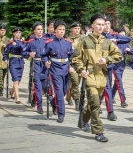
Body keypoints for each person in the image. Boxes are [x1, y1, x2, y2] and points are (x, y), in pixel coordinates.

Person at [76, 14, 122, 142]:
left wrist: (107, 59)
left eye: (103, 24)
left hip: (102, 76)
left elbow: (119, 55)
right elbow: (76, 59)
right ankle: (98, 132)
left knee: (93, 103)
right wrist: (81, 70)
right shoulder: (84, 41)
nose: (101, 27)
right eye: (98, 24)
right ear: (92, 25)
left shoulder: (107, 42)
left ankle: (84, 120)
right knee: (96, 104)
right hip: (89, 75)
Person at [43, 21, 73, 123]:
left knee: (64, 90)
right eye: (59, 29)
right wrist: (46, 61)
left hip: (66, 69)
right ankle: (61, 114)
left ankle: (53, 102)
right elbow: (45, 55)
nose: (61, 31)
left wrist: (71, 66)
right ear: (55, 30)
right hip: (55, 70)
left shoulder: (68, 43)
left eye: (63, 30)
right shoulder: (50, 43)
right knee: (59, 92)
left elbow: (72, 57)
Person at [22, 22, 52, 114]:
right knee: (38, 87)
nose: (40, 31)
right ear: (34, 31)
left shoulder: (47, 41)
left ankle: (50, 103)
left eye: (41, 29)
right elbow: (23, 52)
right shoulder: (31, 42)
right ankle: (39, 106)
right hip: (36, 65)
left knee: (46, 86)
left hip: (45, 64)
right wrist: (29, 54)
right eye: (38, 29)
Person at [3, 27, 27, 104]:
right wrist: (5, 59)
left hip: (20, 61)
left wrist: (17, 44)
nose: (18, 34)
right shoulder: (10, 43)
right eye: (16, 33)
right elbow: (5, 53)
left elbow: (24, 50)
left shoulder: (23, 42)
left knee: (19, 80)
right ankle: (17, 98)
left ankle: (12, 92)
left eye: (19, 33)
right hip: (13, 62)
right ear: (13, 34)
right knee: (15, 80)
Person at [65, 22, 83, 109]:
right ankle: (77, 101)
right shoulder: (67, 39)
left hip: (80, 64)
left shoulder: (83, 39)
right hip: (71, 63)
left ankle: (69, 97)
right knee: (75, 82)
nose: (77, 30)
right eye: (75, 28)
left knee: (76, 82)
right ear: (71, 29)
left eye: (78, 28)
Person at [0, 25, 10, 96]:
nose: (2, 31)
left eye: (4, 30)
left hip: (4, 61)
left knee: (3, 76)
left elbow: (11, 48)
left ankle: (1, 87)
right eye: (1, 30)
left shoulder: (7, 40)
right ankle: (0, 88)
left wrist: (6, 46)